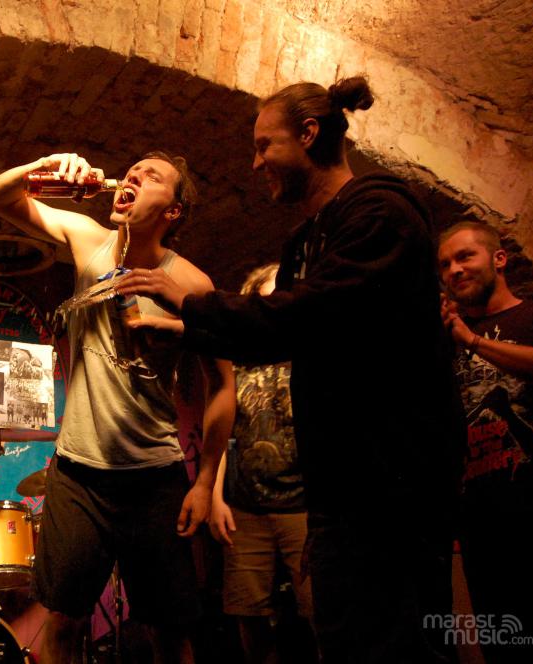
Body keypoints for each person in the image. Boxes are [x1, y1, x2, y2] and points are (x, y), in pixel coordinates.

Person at [117, 76, 465, 663]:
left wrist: (192, 304)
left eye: (264, 146)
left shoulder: (380, 211)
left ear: (308, 134)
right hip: (344, 490)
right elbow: (289, 336)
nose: (255, 164)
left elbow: (310, 312)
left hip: (395, 486)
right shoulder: (308, 238)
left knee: (399, 647)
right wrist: (187, 332)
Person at [0, 152, 235, 663]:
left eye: (152, 176)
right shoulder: (88, 239)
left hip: (154, 479)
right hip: (79, 474)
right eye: (132, 170)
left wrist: (206, 482)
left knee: (170, 634)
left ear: (173, 211)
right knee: (62, 624)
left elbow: (223, 385)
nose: (134, 175)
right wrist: (49, 167)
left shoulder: (192, 282)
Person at [438, 221, 533, 663]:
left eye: (464, 256)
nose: (454, 270)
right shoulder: (443, 341)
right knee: (509, 651)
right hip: (483, 527)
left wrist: (472, 341)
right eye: (444, 265)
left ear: (499, 258)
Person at [210, 263, 314, 664]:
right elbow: (222, 433)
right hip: (246, 508)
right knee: (247, 612)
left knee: (319, 609)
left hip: (303, 505)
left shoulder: (309, 353)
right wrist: (215, 497)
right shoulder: (237, 360)